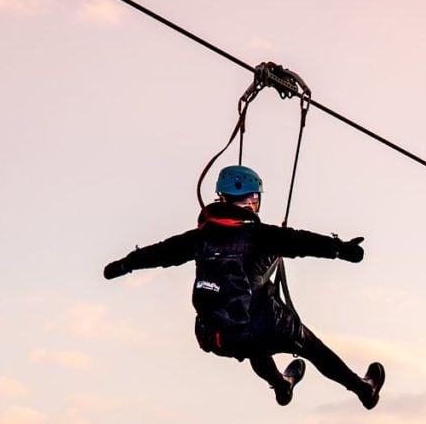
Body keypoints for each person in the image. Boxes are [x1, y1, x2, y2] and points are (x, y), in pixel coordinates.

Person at [103, 164, 386, 409]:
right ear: (252, 200)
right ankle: (364, 390)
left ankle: (281, 384)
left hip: (215, 336)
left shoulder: (199, 238)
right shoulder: (259, 235)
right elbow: (303, 242)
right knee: (311, 347)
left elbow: (159, 253)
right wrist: (343, 250)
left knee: (249, 342)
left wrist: (124, 264)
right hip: (265, 327)